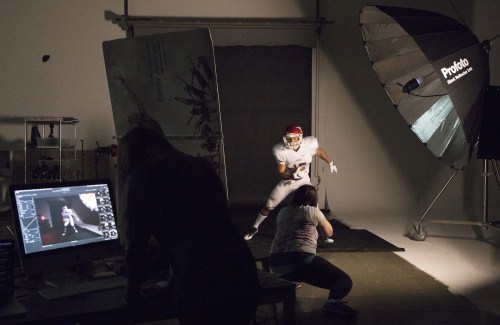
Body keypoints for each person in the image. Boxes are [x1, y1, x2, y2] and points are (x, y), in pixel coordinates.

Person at [117, 127, 259, 325]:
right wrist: (172, 285)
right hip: (241, 271)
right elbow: (202, 231)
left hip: (202, 285)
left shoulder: (142, 176)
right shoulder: (200, 166)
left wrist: (131, 294)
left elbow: (137, 244)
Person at [268, 184, 357, 317]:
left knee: (307, 272)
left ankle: (329, 300)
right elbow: (329, 232)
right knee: (343, 280)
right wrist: (318, 212)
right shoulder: (312, 211)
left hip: (276, 264)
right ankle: (332, 302)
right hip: (301, 259)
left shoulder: (283, 212)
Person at [244, 123, 337, 240]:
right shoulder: (280, 150)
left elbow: (320, 152)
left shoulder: (309, 145)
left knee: (315, 208)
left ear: (301, 137)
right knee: (269, 205)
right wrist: (292, 175)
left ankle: (322, 234)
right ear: (284, 138)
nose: (292, 141)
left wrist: (331, 163)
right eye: (289, 138)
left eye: (295, 138)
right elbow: (282, 172)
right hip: (289, 181)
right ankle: (254, 227)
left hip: (304, 181)